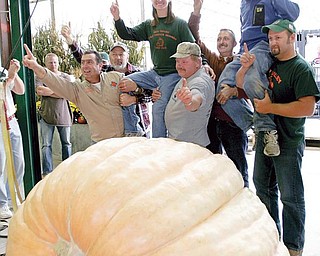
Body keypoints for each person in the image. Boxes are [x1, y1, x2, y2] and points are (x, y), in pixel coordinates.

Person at [238, 19, 320, 256]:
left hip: (288, 140)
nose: (273, 42)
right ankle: (271, 237)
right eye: (270, 38)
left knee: (291, 197)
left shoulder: (300, 68)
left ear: (292, 38)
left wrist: (269, 108)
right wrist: (245, 67)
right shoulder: (268, 62)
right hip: (265, 137)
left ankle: (294, 248)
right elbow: (242, 84)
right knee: (263, 188)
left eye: (278, 37)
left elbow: (306, 108)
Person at [217, 0, 300, 157]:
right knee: (222, 89)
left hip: (263, 46)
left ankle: (268, 129)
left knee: (251, 79)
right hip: (244, 49)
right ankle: (255, 125)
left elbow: (293, 13)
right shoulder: (243, 4)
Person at [110, 0, 195, 138]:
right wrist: (117, 17)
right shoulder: (149, 25)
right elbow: (126, 34)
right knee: (124, 82)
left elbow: (193, 48)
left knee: (158, 108)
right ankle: (133, 131)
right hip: (155, 72)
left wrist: (204, 64)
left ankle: (159, 144)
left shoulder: (179, 24)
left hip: (172, 74)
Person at [187, 0, 249, 187]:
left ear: (234, 43)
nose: (222, 42)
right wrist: (196, 12)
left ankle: (244, 205)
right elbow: (193, 36)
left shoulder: (243, 62)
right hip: (211, 123)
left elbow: (254, 89)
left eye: (226, 39)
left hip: (232, 125)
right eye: (219, 39)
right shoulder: (212, 60)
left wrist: (235, 91)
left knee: (238, 169)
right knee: (213, 169)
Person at [23, 44, 125, 143]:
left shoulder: (116, 77)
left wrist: (136, 97)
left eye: (89, 62)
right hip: (100, 144)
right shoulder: (78, 90)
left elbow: (137, 88)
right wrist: (35, 67)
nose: (85, 66)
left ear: (100, 65)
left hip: (127, 141)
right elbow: (54, 81)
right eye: (82, 63)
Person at [61, 25, 151, 137]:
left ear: (127, 57)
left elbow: (152, 94)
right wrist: (70, 40)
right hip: (117, 131)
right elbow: (85, 60)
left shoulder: (138, 72)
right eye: (114, 54)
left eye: (121, 54)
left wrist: (134, 98)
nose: (118, 58)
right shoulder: (106, 72)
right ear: (109, 56)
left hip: (140, 127)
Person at [164, 42, 214, 147]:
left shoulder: (200, 81)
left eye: (184, 61)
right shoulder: (188, 75)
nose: (179, 65)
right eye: (177, 61)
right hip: (182, 143)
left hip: (190, 146)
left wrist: (190, 101)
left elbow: (197, 97)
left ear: (198, 62)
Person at [35, 53, 73, 177]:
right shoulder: (41, 77)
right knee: (46, 145)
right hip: (46, 116)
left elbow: (68, 93)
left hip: (64, 116)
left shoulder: (65, 77)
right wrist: (59, 91)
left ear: (58, 62)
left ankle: (67, 171)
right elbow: (40, 90)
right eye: (50, 62)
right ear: (46, 63)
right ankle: (47, 172)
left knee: (66, 144)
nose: (53, 64)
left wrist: (51, 92)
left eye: (55, 62)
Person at [0, 59, 25, 219]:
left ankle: (12, 198)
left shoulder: (3, 69)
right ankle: (2, 204)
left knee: (18, 161)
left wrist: (13, 74)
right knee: (1, 163)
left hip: (11, 120)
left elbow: (20, 90)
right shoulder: (6, 72)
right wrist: (10, 76)